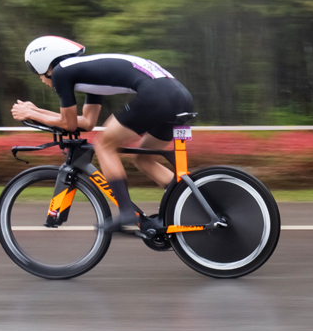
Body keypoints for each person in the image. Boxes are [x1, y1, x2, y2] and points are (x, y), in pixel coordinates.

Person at [12, 36, 193, 235]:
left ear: (44, 65)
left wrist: (32, 114)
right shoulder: (87, 73)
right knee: (143, 159)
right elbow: (87, 122)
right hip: (180, 96)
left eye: (37, 73)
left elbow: (69, 124)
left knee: (104, 145)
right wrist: (38, 111)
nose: (40, 79)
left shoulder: (61, 72)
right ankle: (189, 203)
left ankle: (126, 212)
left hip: (156, 95)